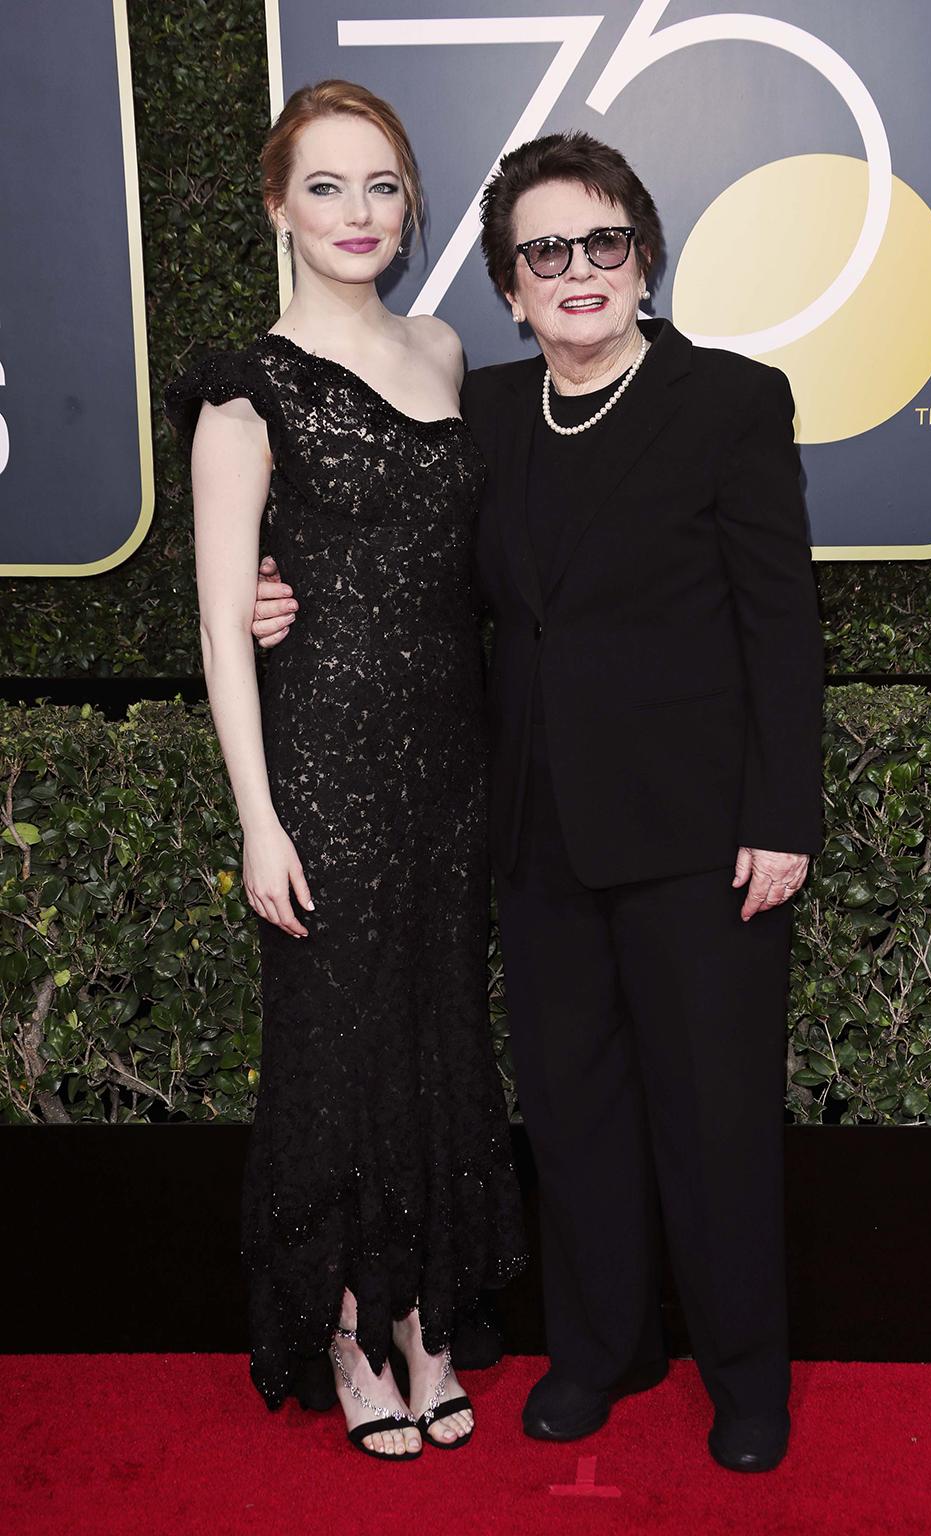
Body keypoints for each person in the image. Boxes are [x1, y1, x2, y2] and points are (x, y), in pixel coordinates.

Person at [254, 129, 825, 1472]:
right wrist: (284, 605)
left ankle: (746, 1380)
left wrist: (782, 815)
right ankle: (602, 1348)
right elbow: (414, 586)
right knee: (569, 1112)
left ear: (642, 263)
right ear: (509, 289)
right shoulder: (492, 416)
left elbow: (779, 628)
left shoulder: (729, 402)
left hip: (698, 836)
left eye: (602, 244)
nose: (576, 271)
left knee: (713, 1116)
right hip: (534, 832)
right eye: (543, 253)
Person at [164, 79, 527, 1462]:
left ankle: (428, 1315)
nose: (357, 212)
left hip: (453, 765)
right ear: (277, 206)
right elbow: (217, 618)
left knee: (439, 1040)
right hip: (321, 764)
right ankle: (341, 1324)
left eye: (379, 185)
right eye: (325, 186)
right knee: (336, 1054)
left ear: (409, 201)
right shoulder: (241, 389)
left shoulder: (444, 351)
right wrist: (257, 819)